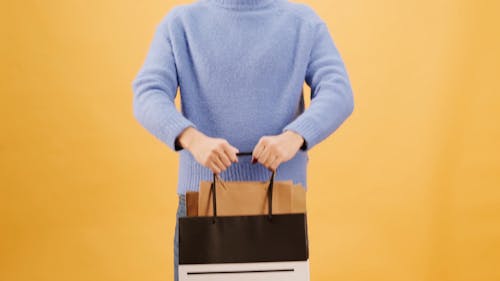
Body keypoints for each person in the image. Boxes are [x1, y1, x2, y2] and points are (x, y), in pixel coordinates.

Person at [131, 0, 354, 280]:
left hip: (279, 202)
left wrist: (295, 135)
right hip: (202, 203)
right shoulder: (180, 23)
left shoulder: (302, 22)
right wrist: (193, 139)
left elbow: (339, 91)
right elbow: (147, 93)